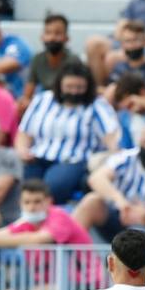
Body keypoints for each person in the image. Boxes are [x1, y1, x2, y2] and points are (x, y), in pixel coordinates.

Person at [17, 61, 121, 204]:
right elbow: (24, 132)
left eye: (79, 87)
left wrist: (116, 156)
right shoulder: (43, 99)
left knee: (49, 191)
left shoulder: (97, 105)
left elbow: (111, 136)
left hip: (74, 160)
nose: (73, 92)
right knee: (27, 192)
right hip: (38, 157)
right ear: (60, 85)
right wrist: (22, 150)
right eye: (69, 87)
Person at [73, 121, 145, 241]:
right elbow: (96, 178)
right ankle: (70, 256)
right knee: (91, 201)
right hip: (119, 218)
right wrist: (122, 203)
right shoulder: (125, 159)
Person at [26, 14, 79, 105]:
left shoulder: (73, 61)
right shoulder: (37, 59)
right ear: (42, 37)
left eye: (57, 33)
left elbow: (76, 92)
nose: (52, 38)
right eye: (48, 33)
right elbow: (28, 94)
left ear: (67, 38)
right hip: (44, 103)